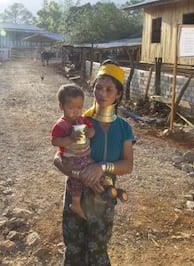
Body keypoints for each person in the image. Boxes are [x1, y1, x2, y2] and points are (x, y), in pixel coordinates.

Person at [54, 59, 135, 265]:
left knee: (98, 248)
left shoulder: (124, 128)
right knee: (74, 248)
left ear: (118, 94)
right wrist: (80, 175)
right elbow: (58, 158)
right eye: (98, 88)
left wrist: (101, 167)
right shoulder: (80, 123)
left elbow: (127, 165)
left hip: (103, 193)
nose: (102, 94)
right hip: (77, 192)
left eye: (109, 90)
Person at [51, 84, 95, 220]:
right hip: (70, 158)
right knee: (77, 177)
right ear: (61, 106)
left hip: (83, 155)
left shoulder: (82, 120)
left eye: (79, 107)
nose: (76, 112)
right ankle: (75, 203)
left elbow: (92, 130)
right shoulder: (61, 125)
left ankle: (98, 191)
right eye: (71, 108)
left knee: (93, 168)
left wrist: (90, 132)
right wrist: (69, 139)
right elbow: (55, 141)